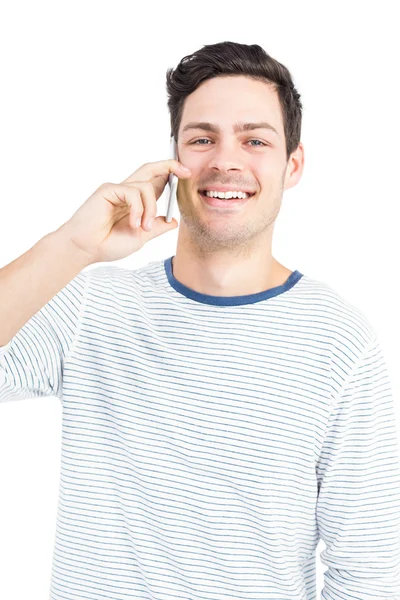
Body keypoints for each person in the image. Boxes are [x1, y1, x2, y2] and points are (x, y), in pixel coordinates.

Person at [1, 41, 399, 600]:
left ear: (293, 164)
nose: (225, 160)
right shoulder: (88, 305)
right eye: (202, 138)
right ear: (173, 159)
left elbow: (368, 573)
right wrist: (71, 245)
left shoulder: (339, 341)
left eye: (255, 139)